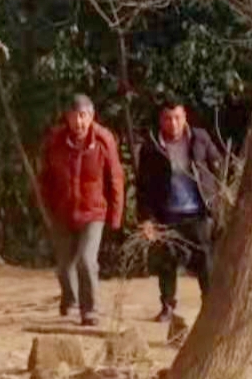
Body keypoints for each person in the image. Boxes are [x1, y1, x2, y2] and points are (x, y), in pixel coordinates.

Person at [38, 95, 125, 326]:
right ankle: (71, 301)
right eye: (74, 117)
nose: (79, 122)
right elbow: (45, 179)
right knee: (64, 266)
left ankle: (91, 310)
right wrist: (48, 209)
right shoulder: (55, 141)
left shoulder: (104, 140)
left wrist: (115, 217)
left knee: (86, 260)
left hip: (93, 211)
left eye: (83, 116)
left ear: (92, 116)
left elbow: (116, 179)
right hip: (63, 210)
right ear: (67, 118)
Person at [136, 98, 224, 323]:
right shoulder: (152, 147)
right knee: (166, 261)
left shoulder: (200, 138)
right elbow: (143, 187)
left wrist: (215, 196)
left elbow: (218, 164)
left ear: (185, 117)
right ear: (161, 120)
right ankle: (167, 306)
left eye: (177, 118)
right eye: (168, 118)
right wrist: (147, 219)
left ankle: (210, 305)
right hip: (168, 213)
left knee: (206, 261)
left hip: (198, 211)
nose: (173, 123)